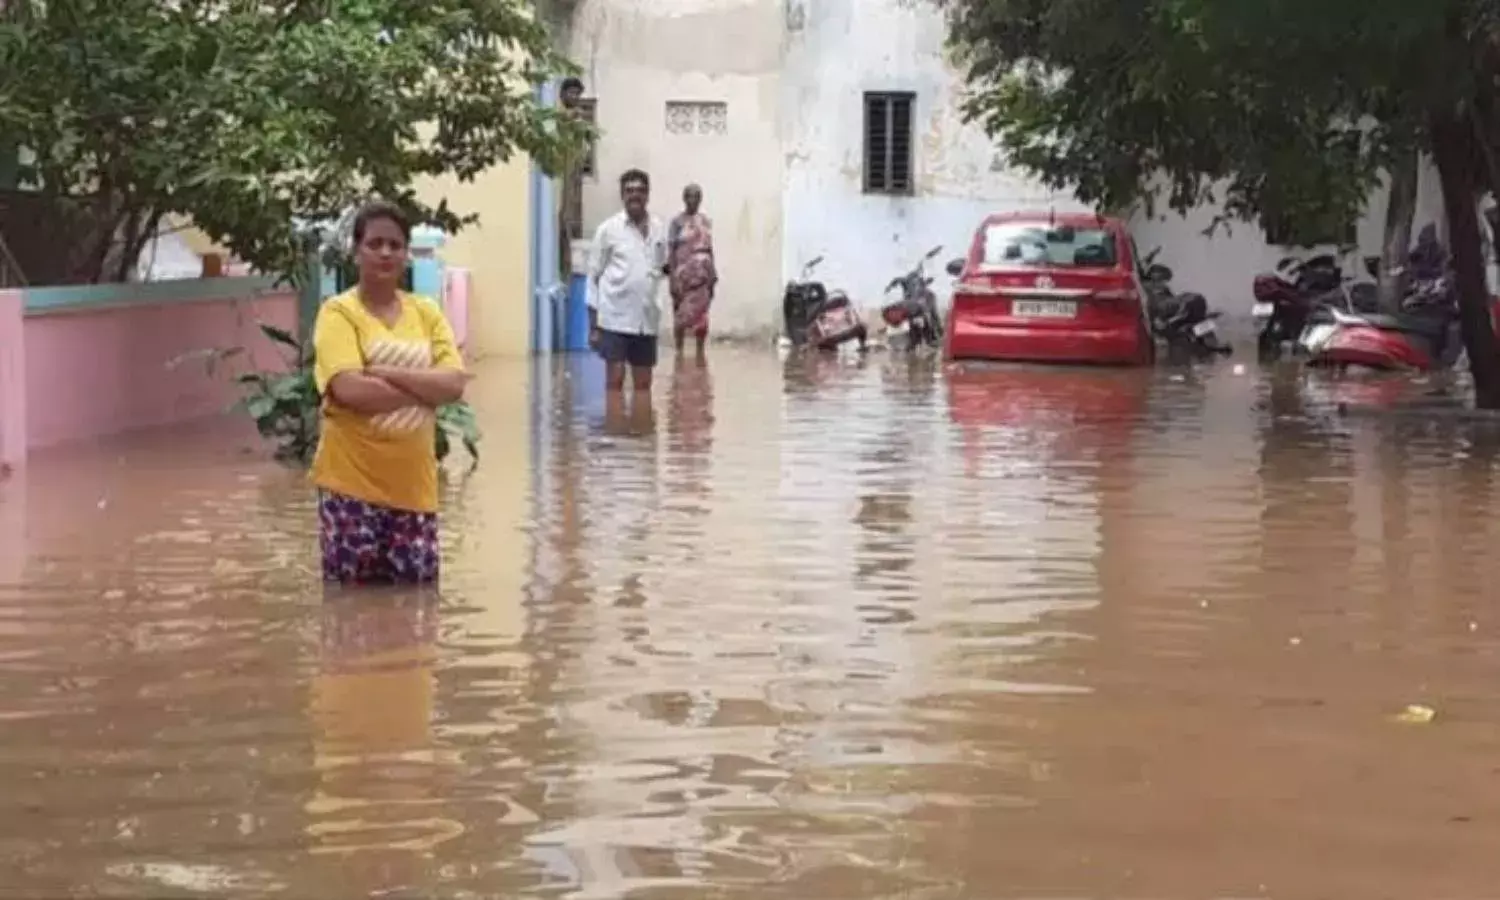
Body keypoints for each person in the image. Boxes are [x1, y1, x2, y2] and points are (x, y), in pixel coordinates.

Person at [310, 201, 472, 585]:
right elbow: (349, 390)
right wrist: (423, 387)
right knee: (348, 614)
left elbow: (453, 384)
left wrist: (386, 373)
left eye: (395, 245)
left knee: (416, 611)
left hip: (414, 490)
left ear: (406, 254)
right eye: (375, 243)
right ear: (356, 250)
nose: (386, 253)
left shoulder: (427, 312)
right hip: (351, 487)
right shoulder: (338, 313)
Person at [587, 168, 668, 394]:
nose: (635, 195)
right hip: (614, 319)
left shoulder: (659, 229)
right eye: (629, 190)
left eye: (640, 190)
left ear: (648, 195)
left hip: (646, 319)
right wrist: (593, 326)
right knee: (615, 383)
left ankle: (641, 427)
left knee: (643, 386)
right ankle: (615, 428)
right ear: (622, 195)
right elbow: (593, 278)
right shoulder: (608, 230)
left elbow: (661, 267)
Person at [668, 183, 717, 358]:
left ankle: (700, 353)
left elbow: (709, 247)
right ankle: (679, 352)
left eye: (697, 196)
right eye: (689, 196)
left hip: (702, 275)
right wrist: (672, 278)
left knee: (702, 317)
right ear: (684, 198)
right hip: (683, 276)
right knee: (680, 315)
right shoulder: (677, 222)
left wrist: (713, 273)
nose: (693, 200)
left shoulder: (705, 221)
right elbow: (671, 249)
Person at [558, 77, 586, 281]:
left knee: (572, 226)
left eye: (578, 93)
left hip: (574, 178)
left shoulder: (580, 120)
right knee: (562, 224)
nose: (574, 97)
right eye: (571, 93)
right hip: (561, 177)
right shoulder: (559, 117)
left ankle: (568, 275)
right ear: (562, 95)